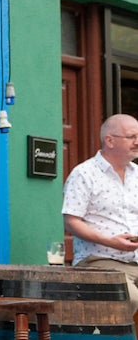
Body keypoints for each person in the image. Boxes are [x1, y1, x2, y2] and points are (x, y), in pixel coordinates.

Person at [62, 113, 138, 292]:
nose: (137, 142)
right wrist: (110, 241)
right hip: (99, 261)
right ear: (110, 141)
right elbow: (71, 221)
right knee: (129, 297)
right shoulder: (84, 174)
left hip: (135, 260)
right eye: (131, 137)